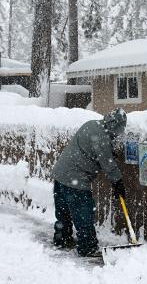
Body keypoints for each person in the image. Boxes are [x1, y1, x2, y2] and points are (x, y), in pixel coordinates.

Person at [51, 108, 127, 257]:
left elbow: (92, 151)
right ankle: (88, 247)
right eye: (119, 130)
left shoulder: (92, 124)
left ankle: (62, 238)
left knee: (63, 214)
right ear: (115, 126)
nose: (118, 135)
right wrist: (118, 183)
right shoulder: (102, 137)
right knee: (84, 214)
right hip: (76, 181)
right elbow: (108, 163)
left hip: (60, 176)